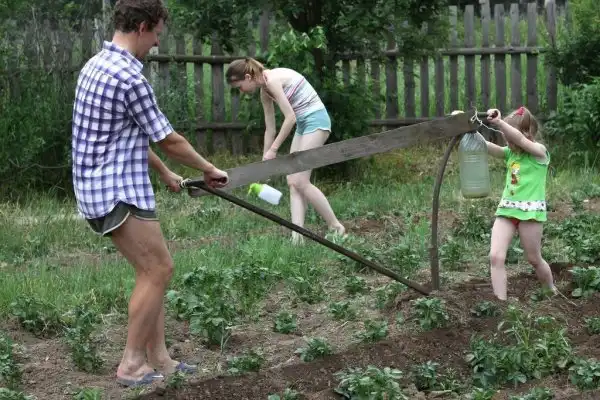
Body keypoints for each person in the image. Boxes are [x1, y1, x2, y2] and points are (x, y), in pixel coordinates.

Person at [71, 0, 229, 387]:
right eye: (157, 33)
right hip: (116, 191)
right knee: (158, 269)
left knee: (151, 272)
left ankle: (160, 358)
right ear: (142, 27)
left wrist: (165, 173)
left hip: (98, 186)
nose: (157, 42)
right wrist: (208, 169)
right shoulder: (129, 77)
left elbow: (127, 135)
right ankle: (131, 364)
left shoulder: (96, 65)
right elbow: (168, 139)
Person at [225, 58, 346, 244]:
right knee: (292, 181)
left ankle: (336, 227)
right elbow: (270, 129)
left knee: (300, 181)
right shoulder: (264, 92)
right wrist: (265, 161)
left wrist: (274, 149)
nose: (241, 91)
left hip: (316, 121)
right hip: (304, 124)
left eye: (239, 86)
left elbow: (290, 118)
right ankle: (297, 237)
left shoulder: (272, 81)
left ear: (248, 77)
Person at [480, 106, 557, 301]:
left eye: (510, 137)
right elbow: (488, 147)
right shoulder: (511, 153)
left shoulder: (539, 153)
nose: (508, 141)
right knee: (496, 257)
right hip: (507, 211)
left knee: (534, 259)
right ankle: (500, 303)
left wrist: (500, 123)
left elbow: (521, 141)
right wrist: (468, 131)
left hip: (530, 214)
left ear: (526, 133)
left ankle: (550, 292)